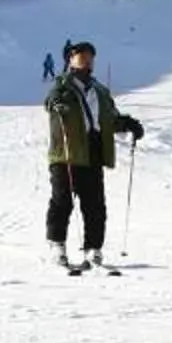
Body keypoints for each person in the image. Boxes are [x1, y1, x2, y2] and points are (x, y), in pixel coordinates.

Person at [43, 40, 143, 274]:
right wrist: (57, 104)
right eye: (80, 56)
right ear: (70, 60)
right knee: (62, 201)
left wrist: (128, 124)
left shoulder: (100, 91)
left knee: (95, 205)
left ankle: (93, 248)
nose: (86, 61)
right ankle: (57, 245)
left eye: (89, 57)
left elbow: (109, 119)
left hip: (92, 153)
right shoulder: (62, 87)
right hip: (66, 153)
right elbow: (50, 102)